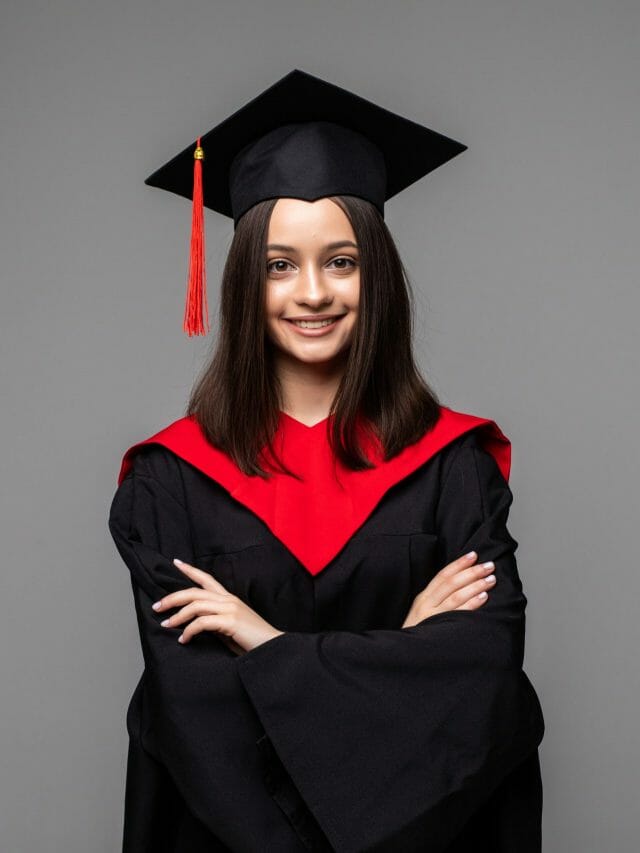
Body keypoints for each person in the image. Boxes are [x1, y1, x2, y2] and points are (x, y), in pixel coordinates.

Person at [108, 68, 545, 853]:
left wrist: (263, 644)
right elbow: (195, 714)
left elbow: (483, 685)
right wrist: (406, 651)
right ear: (246, 281)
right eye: (281, 265)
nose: (313, 292)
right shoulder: (169, 480)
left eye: (340, 260)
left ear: (375, 274)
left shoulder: (454, 468)